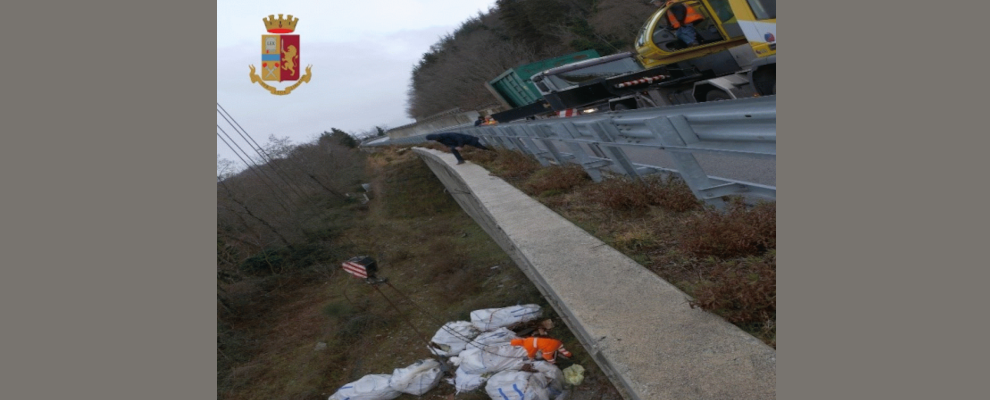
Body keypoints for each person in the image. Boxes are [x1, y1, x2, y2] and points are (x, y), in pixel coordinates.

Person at [425, 132, 492, 165]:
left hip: (467, 139)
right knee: (453, 149)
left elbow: (459, 138)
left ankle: (491, 152)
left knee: (480, 147)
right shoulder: (439, 140)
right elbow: (448, 144)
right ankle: (460, 160)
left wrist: (460, 146)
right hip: (456, 143)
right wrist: (454, 147)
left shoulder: (448, 135)